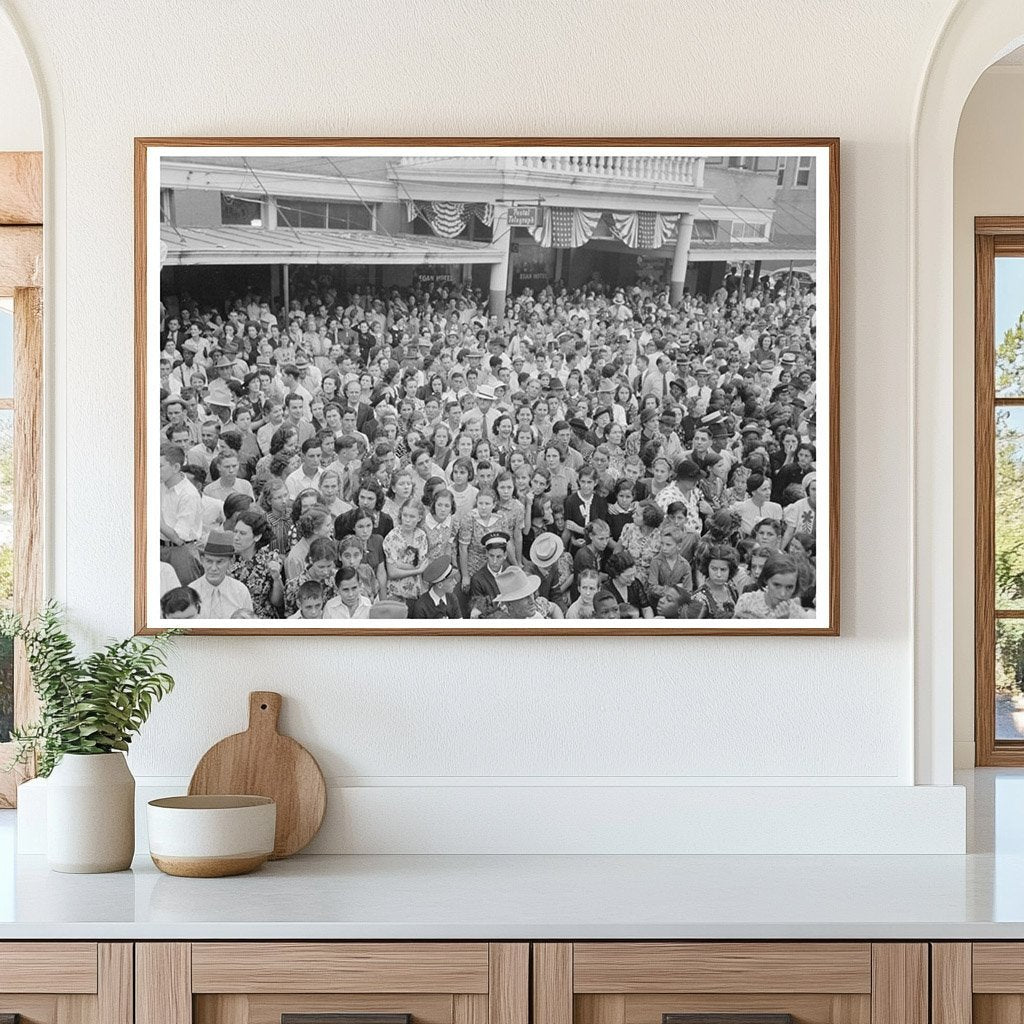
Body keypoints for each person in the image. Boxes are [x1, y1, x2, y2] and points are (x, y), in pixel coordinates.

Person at [159, 443, 202, 585]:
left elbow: (179, 538)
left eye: (160, 466)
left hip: (181, 552)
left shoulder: (188, 494)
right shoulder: (158, 485)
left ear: (176, 467)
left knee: (184, 596)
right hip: (159, 547)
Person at [230, 508, 284, 618]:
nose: (236, 537)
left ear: (257, 537)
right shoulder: (227, 558)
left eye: (242, 533)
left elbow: (277, 602)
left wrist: (277, 578)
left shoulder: (270, 560)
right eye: (235, 532)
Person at [190, 530, 255, 619]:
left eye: (220, 562)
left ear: (231, 562)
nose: (213, 568)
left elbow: (249, 627)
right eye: (209, 561)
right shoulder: (191, 592)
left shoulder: (240, 591)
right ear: (202, 560)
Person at [733, 551, 810, 619]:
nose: (782, 593)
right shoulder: (747, 602)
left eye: (789, 587)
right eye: (777, 585)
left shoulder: (799, 615)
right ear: (766, 580)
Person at [690, 543, 741, 619]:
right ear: (707, 568)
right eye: (714, 569)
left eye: (723, 570)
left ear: (730, 570)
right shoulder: (698, 598)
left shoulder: (732, 590)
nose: (718, 574)